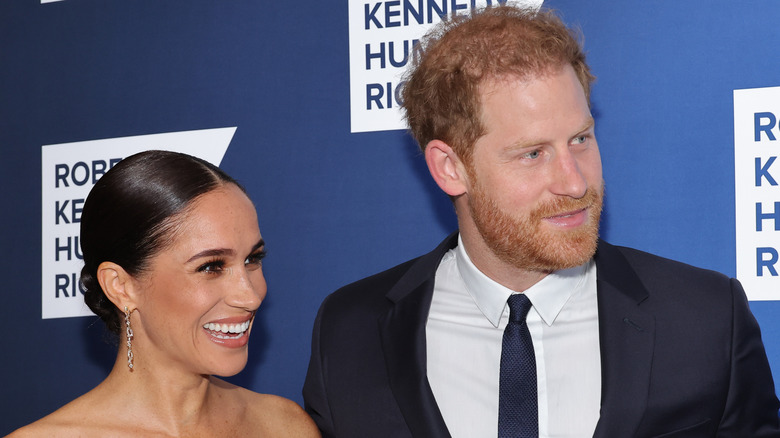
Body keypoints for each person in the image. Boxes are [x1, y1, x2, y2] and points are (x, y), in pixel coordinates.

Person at [302, 5, 780, 438]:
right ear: (450, 167)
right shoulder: (349, 333)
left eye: (580, 140)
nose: (574, 183)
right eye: (532, 153)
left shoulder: (705, 318)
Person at [10, 150, 320, 437]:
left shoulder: (284, 426)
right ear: (121, 287)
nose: (250, 296)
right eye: (211, 266)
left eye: (252, 259)